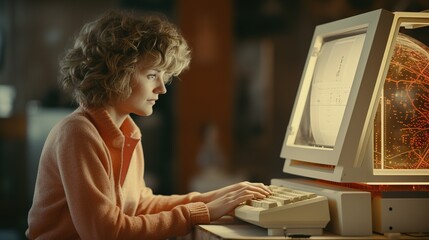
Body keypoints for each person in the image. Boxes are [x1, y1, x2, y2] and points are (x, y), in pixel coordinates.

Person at [26, 9, 271, 240]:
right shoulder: (78, 133)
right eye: (152, 75)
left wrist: (217, 197)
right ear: (117, 72)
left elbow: (140, 205)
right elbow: (104, 232)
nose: (162, 88)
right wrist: (203, 212)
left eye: (164, 77)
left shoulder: (127, 130)